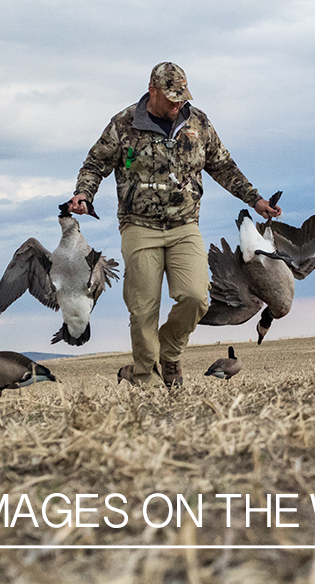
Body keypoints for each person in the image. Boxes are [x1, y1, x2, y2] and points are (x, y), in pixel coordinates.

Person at [66, 62, 280, 388]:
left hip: (184, 227)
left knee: (196, 298)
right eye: (171, 98)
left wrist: (255, 200)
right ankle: (147, 385)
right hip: (139, 227)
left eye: (182, 96)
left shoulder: (199, 123)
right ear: (152, 90)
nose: (177, 104)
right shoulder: (123, 124)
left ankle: (169, 352)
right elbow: (96, 163)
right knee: (142, 311)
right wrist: (84, 193)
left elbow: (223, 166)